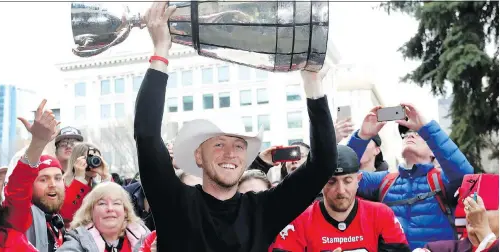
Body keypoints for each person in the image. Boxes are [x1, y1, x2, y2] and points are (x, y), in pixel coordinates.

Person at [133, 2, 337, 251]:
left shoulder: (262, 211)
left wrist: (313, 85)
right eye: (219, 144)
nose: (230, 153)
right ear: (198, 155)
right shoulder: (175, 203)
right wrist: (161, 50)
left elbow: (324, 164)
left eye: (239, 146)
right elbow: (146, 134)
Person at [347, 104, 474, 249]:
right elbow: (343, 177)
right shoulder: (384, 181)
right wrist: (362, 137)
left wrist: (426, 127)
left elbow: (465, 175)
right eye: (406, 134)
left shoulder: (441, 180)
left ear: (434, 151)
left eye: (418, 134)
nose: (410, 135)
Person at [270, 145, 410, 252]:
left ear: (359, 179)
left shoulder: (381, 214)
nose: (341, 190)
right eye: (331, 182)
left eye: (348, 180)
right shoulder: (298, 220)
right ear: (319, 182)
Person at [3, 99, 87, 252]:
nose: (52, 184)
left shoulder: (56, 219)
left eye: (57, 178)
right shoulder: (23, 217)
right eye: (43, 179)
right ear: (30, 185)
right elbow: (18, 188)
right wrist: (38, 142)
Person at [58, 182, 149, 252]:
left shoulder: (144, 236)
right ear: (90, 211)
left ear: (125, 211)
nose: (110, 209)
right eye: (102, 203)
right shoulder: (78, 239)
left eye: (116, 203)